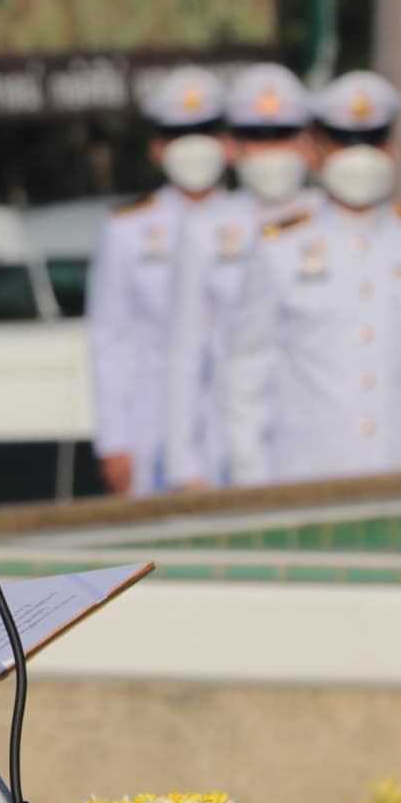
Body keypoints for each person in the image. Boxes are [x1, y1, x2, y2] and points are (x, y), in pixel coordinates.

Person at [222, 70, 401, 484]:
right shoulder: (279, 248)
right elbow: (246, 375)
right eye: (344, 141)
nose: (359, 155)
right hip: (307, 477)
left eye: (372, 140)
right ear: (317, 150)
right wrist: (251, 482)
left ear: (393, 149)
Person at [160, 63, 321, 490]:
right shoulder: (205, 230)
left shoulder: (328, 224)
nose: (270, 150)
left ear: (307, 144)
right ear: (233, 146)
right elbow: (184, 352)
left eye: (282, 135)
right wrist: (184, 464)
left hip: (314, 441)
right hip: (224, 448)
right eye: (256, 136)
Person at [85, 66, 229, 496]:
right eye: (179, 134)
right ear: (157, 148)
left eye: (205, 131)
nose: (194, 146)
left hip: (237, 424)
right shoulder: (128, 229)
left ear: (227, 143)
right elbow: (109, 338)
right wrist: (115, 442)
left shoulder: (253, 224)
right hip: (153, 424)